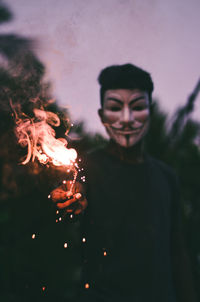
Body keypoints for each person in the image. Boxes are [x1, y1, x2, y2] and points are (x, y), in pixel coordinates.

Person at [51, 64, 197, 302]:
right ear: (102, 115)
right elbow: (75, 191)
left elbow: (178, 251)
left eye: (138, 107)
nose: (127, 119)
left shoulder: (167, 177)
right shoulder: (87, 167)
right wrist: (71, 200)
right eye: (115, 108)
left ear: (150, 111)